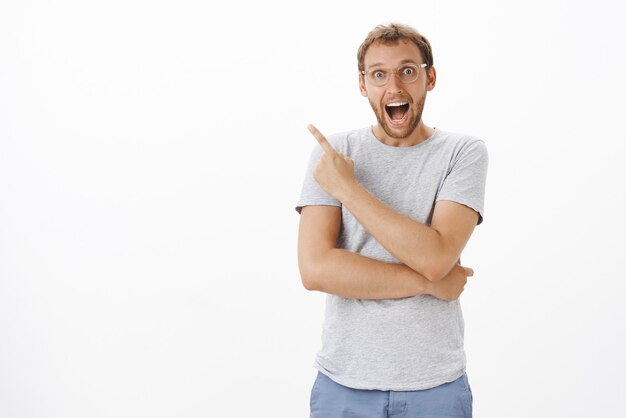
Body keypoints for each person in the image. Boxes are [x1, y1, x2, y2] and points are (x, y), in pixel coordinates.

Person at [295, 23, 488, 418]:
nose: (394, 87)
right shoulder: (333, 154)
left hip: (435, 385)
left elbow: (436, 257)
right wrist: (428, 283)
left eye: (408, 70)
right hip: (343, 384)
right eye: (379, 74)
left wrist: (349, 190)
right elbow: (316, 270)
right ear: (363, 85)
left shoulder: (463, 153)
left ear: (429, 77)